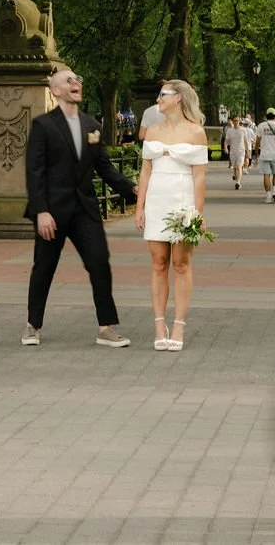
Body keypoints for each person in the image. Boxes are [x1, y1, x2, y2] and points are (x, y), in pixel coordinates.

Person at [23, 68, 139, 348]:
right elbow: (34, 171)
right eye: (69, 80)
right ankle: (32, 325)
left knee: (99, 263)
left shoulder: (93, 126)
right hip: (52, 211)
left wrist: (135, 191)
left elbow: (105, 168)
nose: (76, 83)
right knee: (44, 267)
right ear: (56, 91)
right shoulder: (43, 126)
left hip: (85, 210)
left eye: (78, 80)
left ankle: (106, 327)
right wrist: (41, 211)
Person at [135, 79, 208, 352]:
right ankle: (158, 325)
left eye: (163, 94)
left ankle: (178, 325)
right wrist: (140, 207)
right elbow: (145, 172)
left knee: (181, 263)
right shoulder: (152, 131)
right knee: (158, 262)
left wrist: (197, 214)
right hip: (156, 198)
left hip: (182, 198)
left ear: (178, 98)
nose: (158, 99)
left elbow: (199, 177)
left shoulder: (196, 133)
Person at [254, 108, 275, 203]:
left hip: (264, 154)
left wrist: (256, 152)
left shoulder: (261, 126)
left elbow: (257, 141)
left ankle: (268, 196)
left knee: (266, 175)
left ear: (266, 115)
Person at [224, 115, 248, 189]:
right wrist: (225, 148)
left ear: (239, 121)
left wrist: (247, 152)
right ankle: (236, 178)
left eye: (237, 120)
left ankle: (238, 182)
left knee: (239, 166)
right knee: (235, 167)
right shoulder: (229, 131)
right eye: (234, 121)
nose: (236, 122)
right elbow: (226, 141)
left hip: (241, 151)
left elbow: (246, 141)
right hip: (233, 151)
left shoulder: (243, 130)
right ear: (232, 121)